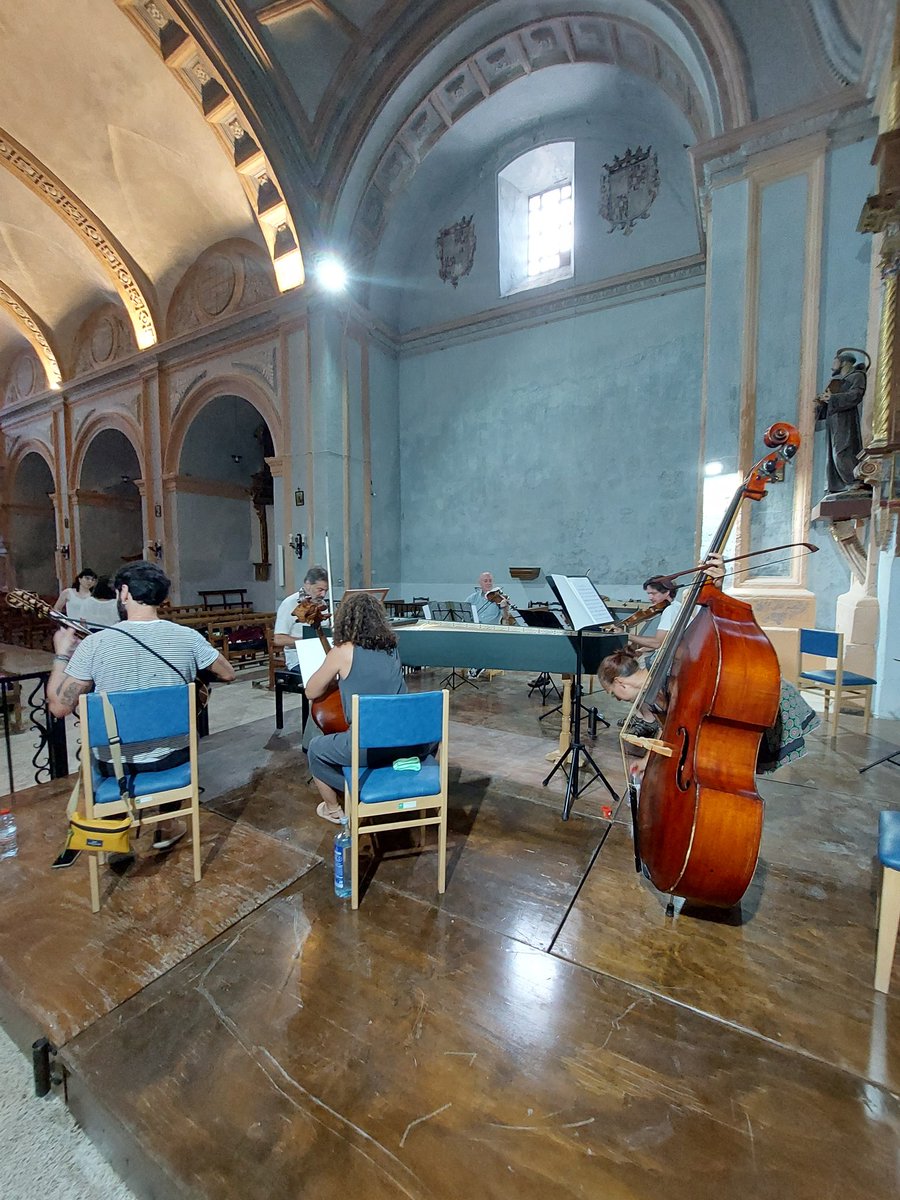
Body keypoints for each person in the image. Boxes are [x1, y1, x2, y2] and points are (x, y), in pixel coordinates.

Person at [48, 560, 235, 861]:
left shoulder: (95, 645)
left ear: (124, 593)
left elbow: (58, 707)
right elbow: (227, 673)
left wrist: (61, 654)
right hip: (173, 759)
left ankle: (116, 834)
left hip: (116, 766)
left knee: (102, 748)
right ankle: (166, 826)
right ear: (161, 597)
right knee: (173, 741)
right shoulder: (188, 637)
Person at [306, 592, 434, 823]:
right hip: (407, 742)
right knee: (430, 737)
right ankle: (398, 776)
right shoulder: (392, 648)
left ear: (346, 620)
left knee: (315, 749)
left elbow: (311, 691)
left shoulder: (342, 652)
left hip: (368, 747)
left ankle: (334, 807)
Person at [597, 645, 819, 776]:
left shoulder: (667, 666)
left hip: (760, 699)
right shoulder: (651, 695)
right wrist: (647, 760)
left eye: (613, 693)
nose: (617, 699)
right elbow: (668, 728)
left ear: (620, 682)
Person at [816, 351, 869, 497]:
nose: (832, 366)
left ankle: (855, 481)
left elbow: (856, 395)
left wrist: (833, 398)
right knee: (834, 454)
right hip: (834, 421)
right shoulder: (838, 381)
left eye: (835, 362)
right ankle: (840, 484)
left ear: (844, 362)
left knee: (843, 450)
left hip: (846, 421)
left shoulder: (857, 376)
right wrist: (823, 401)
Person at [464, 570, 521, 679]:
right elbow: (465, 610)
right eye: (485, 581)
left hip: (490, 630)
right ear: (480, 583)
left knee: (482, 639)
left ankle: (479, 664)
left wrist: (504, 607)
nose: (488, 583)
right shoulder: (473, 598)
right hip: (474, 628)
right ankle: (474, 663)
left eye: (490, 581)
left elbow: (505, 617)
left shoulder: (498, 598)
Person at [273, 565, 329, 673]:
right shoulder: (289, 604)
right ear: (307, 585)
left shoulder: (322, 603)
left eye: (326, 590)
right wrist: (307, 642)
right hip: (299, 659)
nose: (323, 594)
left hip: (322, 656)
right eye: (320, 590)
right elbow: (279, 639)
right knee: (324, 675)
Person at [627, 574, 680, 653]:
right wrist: (647, 648)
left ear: (667, 592)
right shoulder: (677, 606)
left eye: (653, 593)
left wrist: (627, 635)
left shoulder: (670, 610)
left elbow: (658, 643)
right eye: (648, 594)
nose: (650, 598)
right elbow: (667, 640)